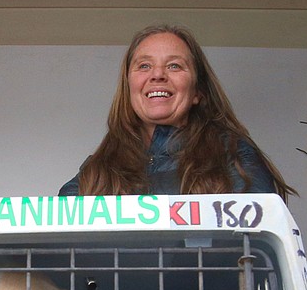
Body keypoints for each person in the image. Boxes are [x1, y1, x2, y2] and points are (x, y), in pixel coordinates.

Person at [59, 24, 294, 198]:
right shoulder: (98, 168)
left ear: (197, 92)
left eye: (174, 66)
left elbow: (259, 244)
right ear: (129, 86)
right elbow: (61, 244)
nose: (158, 75)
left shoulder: (234, 155)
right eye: (144, 66)